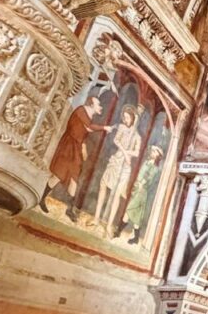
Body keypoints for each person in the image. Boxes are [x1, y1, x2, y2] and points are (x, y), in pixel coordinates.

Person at [40, 93, 112, 220]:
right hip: (69, 146)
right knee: (59, 174)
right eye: (98, 104)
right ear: (91, 105)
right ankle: (42, 198)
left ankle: (69, 209)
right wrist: (104, 127)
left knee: (74, 178)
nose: (100, 107)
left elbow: (83, 131)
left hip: (76, 147)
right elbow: (88, 128)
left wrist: (83, 146)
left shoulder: (89, 115)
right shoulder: (81, 110)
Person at [94, 104, 143, 234]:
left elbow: (137, 153)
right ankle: (96, 219)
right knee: (103, 185)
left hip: (125, 167)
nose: (125, 120)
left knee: (117, 195)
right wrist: (126, 153)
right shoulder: (121, 127)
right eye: (124, 117)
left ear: (133, 118)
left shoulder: (137, 136)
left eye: (128, 118)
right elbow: (116, 140)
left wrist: (128, 154)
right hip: (116, 161)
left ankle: (109, 225)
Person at [119, 145, 164, 244]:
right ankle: (135, 238)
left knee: (129, 209)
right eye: (152, 151)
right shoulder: (146, 163)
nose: (152, 152)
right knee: (137, 215)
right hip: (137, 188)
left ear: (158, 156)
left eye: (154, 152)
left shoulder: (154, 168)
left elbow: (148, 178)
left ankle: (118, 231)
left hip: (141, 190)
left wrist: (140, 185)